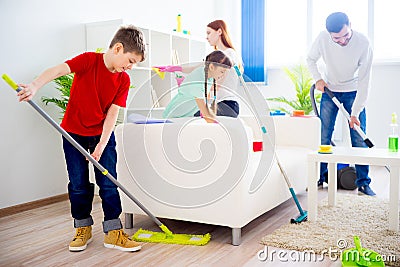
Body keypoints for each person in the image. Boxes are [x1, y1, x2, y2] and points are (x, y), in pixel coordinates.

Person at [17, 25, 146, 251]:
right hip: (73, 133)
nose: (131, 67)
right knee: (78, 185)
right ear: (118, 48)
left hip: (101, 135)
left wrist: (101, 146)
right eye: (131, 60)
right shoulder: (88, 61)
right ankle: (82, 228)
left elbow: (113, 114)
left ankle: (113, 232)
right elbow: (58, 70)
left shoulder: (123, 80)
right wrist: (35, 86)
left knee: (108, 183)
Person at [306, 12, 375, 196]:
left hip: (353, 91)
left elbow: (364, 82)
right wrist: (318, 79)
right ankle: (319, 178)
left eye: (345, 35)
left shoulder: (363, 43)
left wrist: (356, 112)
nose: (342, 41)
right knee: (323, 136)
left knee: (359, 139)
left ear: (350, 25)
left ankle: (363, 183)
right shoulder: (322, 39)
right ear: (329, 34)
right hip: (330, 91)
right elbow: (310, 59)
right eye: (337, 38)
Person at [162, 50, 232, 120]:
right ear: (211, 67)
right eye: (222, 72)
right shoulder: (198, 81)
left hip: (185, 116)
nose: (223, 75)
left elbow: (204, 98)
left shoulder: (209, 76)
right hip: (173, 117)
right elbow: (206, 114)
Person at [205, 19, 243, 118]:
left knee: (195, 115)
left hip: (227, 104)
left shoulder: (228, 54)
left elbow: (218, 83)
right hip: (220, 103)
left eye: (209, 33)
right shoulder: (219, 55)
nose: (207, 37)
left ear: (219, 32)